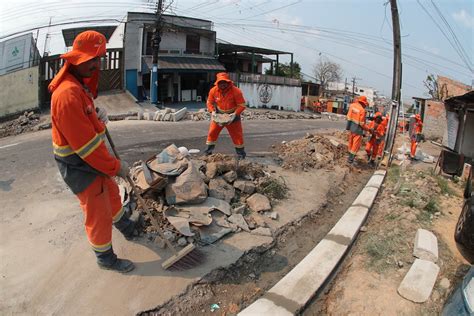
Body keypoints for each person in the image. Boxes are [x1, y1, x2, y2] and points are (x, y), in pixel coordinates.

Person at [49, 31, 140, 273]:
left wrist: (98, 118)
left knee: (111, 193)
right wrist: (115, 166)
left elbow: (89, 128)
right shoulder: (67, 95)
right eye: (92, 59)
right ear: (77, 60)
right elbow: (86, 148)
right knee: (97, 211)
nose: (96, 64)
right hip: (78, 164)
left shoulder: (78, 87)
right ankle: (106, 259)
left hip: (89, 159)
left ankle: (127, 227)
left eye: (98, 59)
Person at [205, 72, 247, 159]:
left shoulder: (236, 91)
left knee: (237, 135)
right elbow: (209, 102)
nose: (222, 84)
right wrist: (212, 112)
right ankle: (208, 152)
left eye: (224, 82)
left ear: (228, 82)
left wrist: (234, 114)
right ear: (217, 83)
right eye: (220, 83)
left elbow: (242, 105)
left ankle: (241, 154)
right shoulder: (213, 90)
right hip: (219, 114)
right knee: (212, 132)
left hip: (233, 115)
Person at [346, 95, 370, 164]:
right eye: (365, 104)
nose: (365, 106)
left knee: (350, 143)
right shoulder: (362, 110)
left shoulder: (352, 105)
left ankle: (349, 157)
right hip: (358, 130)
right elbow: (362, 123)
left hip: (351, 127)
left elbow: (348, 116)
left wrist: (348, 127)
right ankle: (350, 160)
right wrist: (368, 129)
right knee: (355, 145)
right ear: (363, 103)